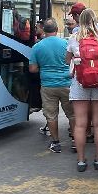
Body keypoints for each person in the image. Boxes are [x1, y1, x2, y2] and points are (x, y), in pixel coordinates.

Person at [66, 9, 98, 172]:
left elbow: (67, 60)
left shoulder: (74, 38)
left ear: (80, 21)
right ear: (95, 19)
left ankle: (81, 160)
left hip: (80, 82)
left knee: (80, 123)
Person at [29, 19, 74, 152]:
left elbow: (32, 69)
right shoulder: (66, 43)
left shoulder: (37, 46)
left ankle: (55, 143)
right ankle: (75, 141)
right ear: (56, 29)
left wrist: (44, 68)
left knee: (51, 115)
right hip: (67, 83)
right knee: (72, 114)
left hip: (48, 85)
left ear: (44, 30)